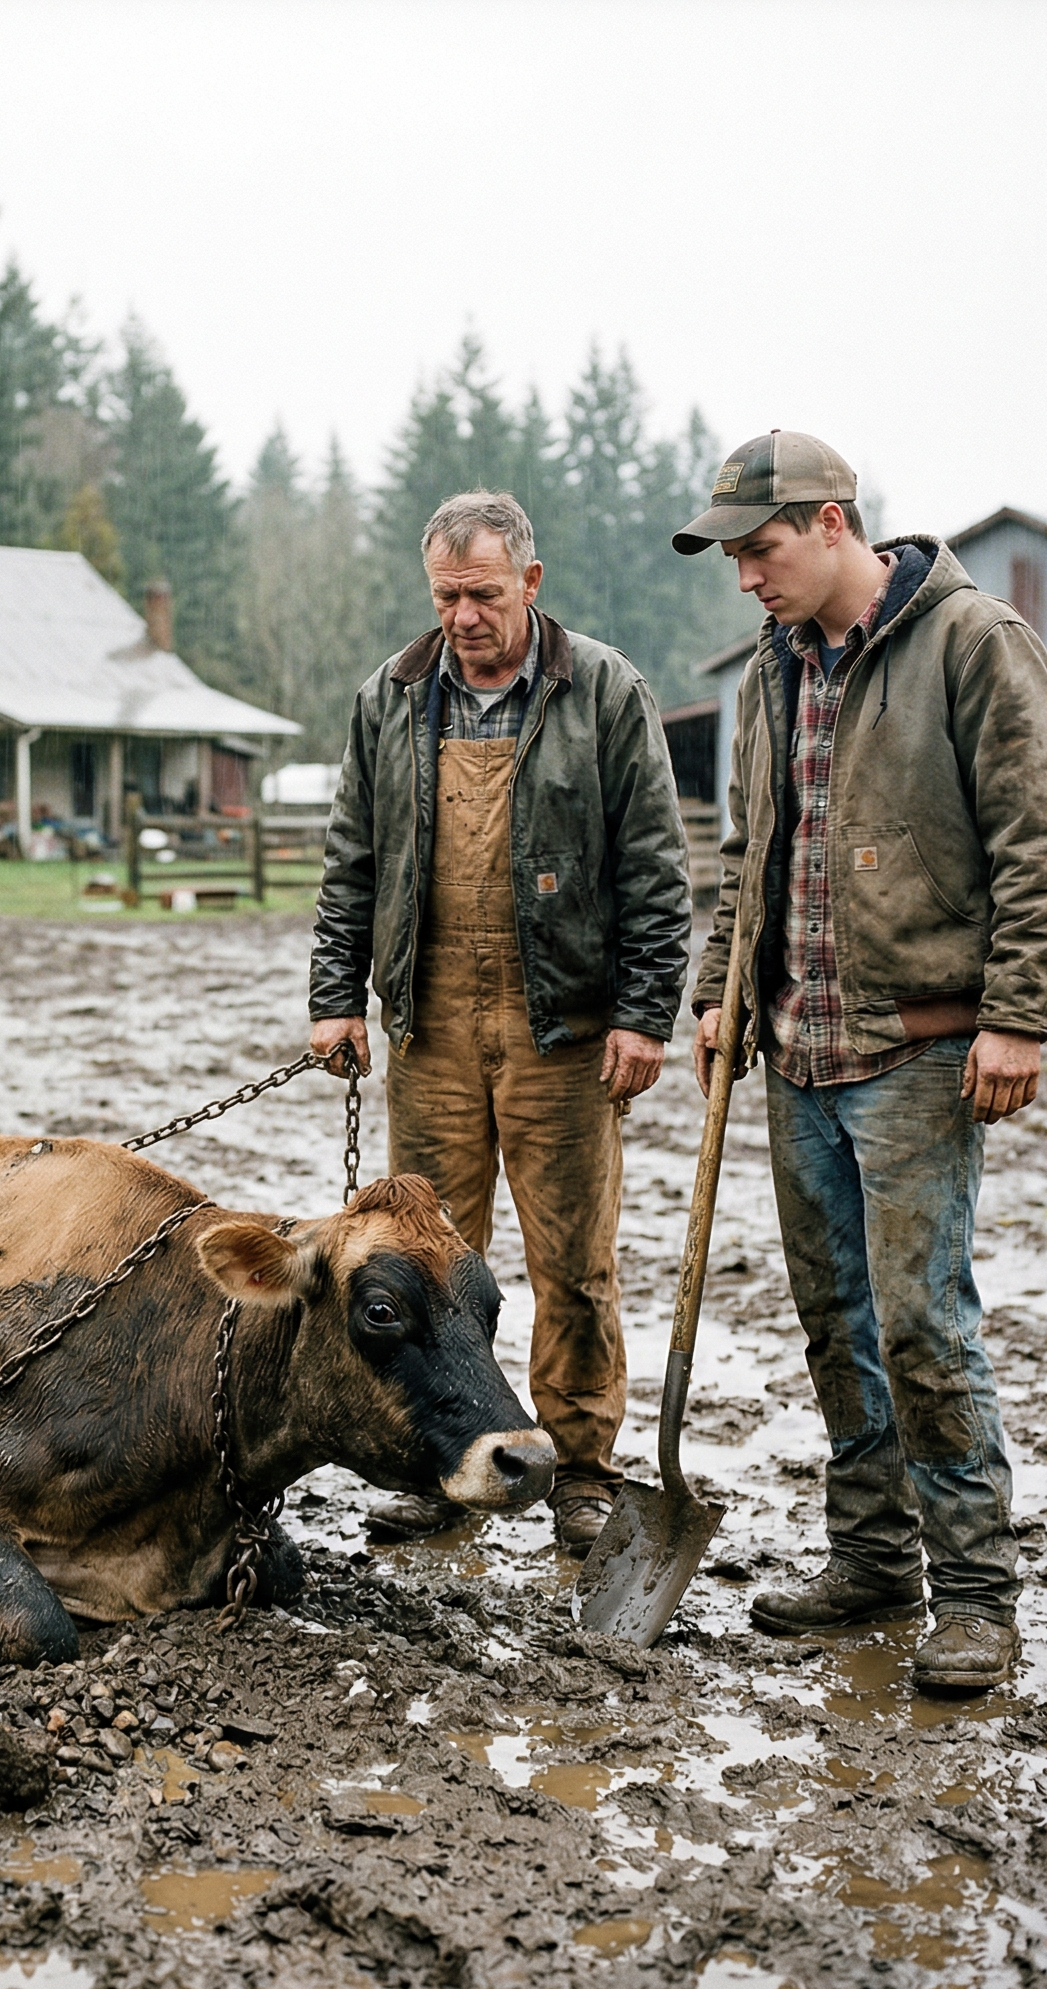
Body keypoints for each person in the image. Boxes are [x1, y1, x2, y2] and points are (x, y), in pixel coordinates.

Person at [674, 430, 1047, 1692]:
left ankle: (973, 1592)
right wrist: (714, 993)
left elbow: (1041, 840)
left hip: (914, 1054)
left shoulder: (971, 642)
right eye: (734, 555)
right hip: (794, 1051)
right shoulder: (770, 666)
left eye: (760, 547)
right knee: (832, 1319)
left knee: (922, 1322)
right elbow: (750, 851)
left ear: (835, 521)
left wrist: (1014, 1014)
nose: (745, 575)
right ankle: (869, 1556)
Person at [308, 491, 692, 1557]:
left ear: (529, 581)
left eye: (482, 593)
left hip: (560, 1031)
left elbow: (654, 871)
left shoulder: (604, 691)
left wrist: (641, 1013)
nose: (463, 615)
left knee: (572, 1262)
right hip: (428, 1023)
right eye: (444, 595)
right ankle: (450, 1467)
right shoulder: (387, 697)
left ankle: (578, 1467)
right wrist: (334, 994)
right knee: (428, 1268)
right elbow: (350, 861)